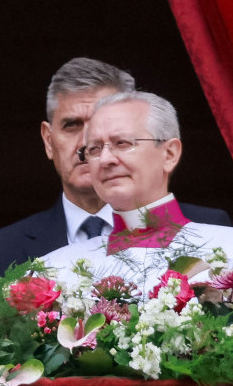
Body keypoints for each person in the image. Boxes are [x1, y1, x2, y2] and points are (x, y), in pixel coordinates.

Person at [0, 59, 229, 279]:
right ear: (48, 141)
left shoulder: (220, 240)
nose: (91, 148)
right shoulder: (45, 264)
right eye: (73, 126)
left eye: (121, 140)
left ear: (169, 153)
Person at [42, 91, 233, 289]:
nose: (106, 159)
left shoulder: (227, 251)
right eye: (94, 149)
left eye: (122, 143)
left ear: (169, 154)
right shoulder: (56, 272)